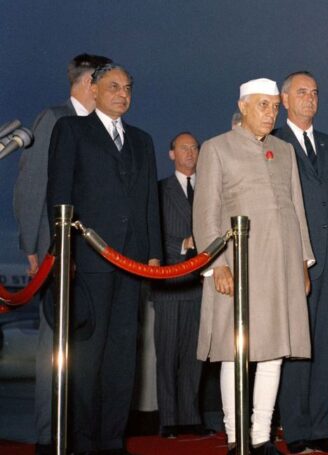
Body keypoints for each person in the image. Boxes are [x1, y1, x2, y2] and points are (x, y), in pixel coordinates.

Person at [193, 78, 314, 455]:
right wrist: (217, 266)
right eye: (262, 105)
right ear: (243, 106)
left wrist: (303, 262)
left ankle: (261, 435)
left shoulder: (284, 150)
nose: (270, 112)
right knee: (236, 350)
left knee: (274, 350)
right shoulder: (216, 148)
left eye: (274, 106)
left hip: (281, 264)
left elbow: (296, 208)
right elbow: (206, 213)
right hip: (238, 265)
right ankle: (235, 437)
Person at [47, 63, 162, 453]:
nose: (122, 94)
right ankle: (82, 440)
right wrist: (64, 254)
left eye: (128, 87)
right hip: (88, 261)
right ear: (93, 90)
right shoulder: (72, 131)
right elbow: (59, 193)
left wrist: (153, 255)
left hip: (131, 265)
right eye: (113, 86)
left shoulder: (142, 140)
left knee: (122, 356)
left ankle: (113, 439)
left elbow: (149, 202)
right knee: (88, 356)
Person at [12, 52, 111, 455]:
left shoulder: (98, 128)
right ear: (89, 84)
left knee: (87, 348)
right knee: (54, 348)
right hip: (56, 254)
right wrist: (34, 249)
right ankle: (47, 435)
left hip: (92, 254)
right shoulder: (52, 120)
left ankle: (80, 431)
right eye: (106, 83)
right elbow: (31, 188)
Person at [274, 71, 328, 453]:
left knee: (327, 346)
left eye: (315, 93)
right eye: (302, 92)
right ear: (284, 99)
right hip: (293, 262)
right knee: (295, 347)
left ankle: (322, 430)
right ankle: (297, 429)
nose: (310, 98)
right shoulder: (272, 143)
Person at [150, 132, 214, 438]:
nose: (191, 152)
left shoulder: (211, 188)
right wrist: (185, 244)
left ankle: (190, 417)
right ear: (171, 153)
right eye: (184, 147)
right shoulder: (159, 191)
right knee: (167, 354)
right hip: (170, 283)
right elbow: (153, 234)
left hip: (203, 286)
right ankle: (168, 420)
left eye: (195, 147)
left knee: (195, 354)